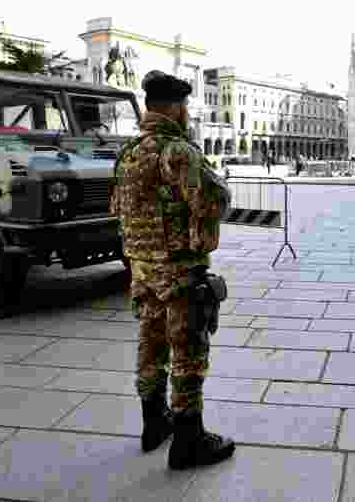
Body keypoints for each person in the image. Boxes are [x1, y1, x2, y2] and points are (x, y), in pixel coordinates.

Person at [111, 71, 235, 469]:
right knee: (188, 351)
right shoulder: (177, 151)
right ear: (177, 108)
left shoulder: (128, 152)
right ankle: (189, 438)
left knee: (150, 344)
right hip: (180, 272)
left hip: (143, 272)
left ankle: (154, 422)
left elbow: (118, 209)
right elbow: (211, 201)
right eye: (184, 107)